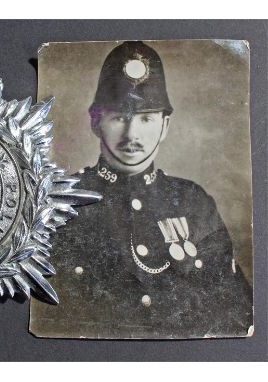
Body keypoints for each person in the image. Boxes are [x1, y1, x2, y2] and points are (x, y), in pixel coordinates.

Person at [31, 41, 253, 339]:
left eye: (146, 118)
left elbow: (236, 312)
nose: (131, 134)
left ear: (165, 125)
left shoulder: (193, 201)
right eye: (119, 117)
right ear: (96, 122)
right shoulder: (59, 202)